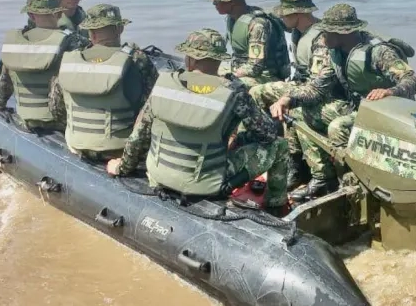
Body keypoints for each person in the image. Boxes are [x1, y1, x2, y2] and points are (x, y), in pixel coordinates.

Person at [105, 29, 288, 214]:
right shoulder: (235, 93)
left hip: (158, 177)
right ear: (219, 60)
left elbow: (138, 137)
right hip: (206, 184)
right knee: (280, 146)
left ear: (190, 59)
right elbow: (268, 135)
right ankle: (276, 207)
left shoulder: (163, 86)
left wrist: (121, 167)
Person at [270, 3, 416, 200]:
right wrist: (288, 99)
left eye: (326, 33)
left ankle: (351, 183)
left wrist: (389, 91)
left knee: (338, 127)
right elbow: (317, 88)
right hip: (359, 109)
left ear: (342, 34)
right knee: (298, 112)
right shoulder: (335, 54)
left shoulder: (377, 52)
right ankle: (322, 176)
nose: (321, 39)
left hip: (391, 115)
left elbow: (413, 80)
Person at [48, 4, 159, 162]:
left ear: (91, 33)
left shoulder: (70, 61)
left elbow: (56, 109)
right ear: (120, 29)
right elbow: (152, 108)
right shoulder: (137, 60)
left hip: (76, 145)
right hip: (120, 151)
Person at [249, 0, 330, 189]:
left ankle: (296, 167)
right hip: (299, 83)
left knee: (293, 110)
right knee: (255, 93)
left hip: (316, 90)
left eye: (285, 14)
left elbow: (318, 83)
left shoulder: (320, 38)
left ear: (298, 14)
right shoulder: (297, 32)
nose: (282, 18)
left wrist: (290, 96)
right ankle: (261, 146)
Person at [0, 0, 88, 132]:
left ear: (31, 15)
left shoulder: (16, 44)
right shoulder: (73, 41)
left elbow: (5, 83)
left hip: (25, 118)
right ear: (59, 13)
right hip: (61, 122)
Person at [205, 0, 291, 88]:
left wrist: (230, 76)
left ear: (232, 2)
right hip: (240, 68)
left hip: (265, 77)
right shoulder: (232, 19)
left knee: (223, 85)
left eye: (217, 1)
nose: (214, 4)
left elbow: (255, 67)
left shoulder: (257, 25)